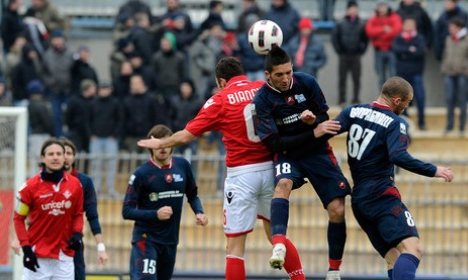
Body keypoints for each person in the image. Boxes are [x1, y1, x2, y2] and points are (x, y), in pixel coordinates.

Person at [138, 57, 306, 280]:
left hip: (242, 175)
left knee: (234, 248)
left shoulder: (220, 99)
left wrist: (161, 143)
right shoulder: (262, 88)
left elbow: (187, 135)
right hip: (270, 170)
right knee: (276, 237)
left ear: (221, 81)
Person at [333, 76, 453, 280]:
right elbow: (398, 156)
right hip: (381, 196)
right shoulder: (395, 123)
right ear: (397, 100)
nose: (407, 106)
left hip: (359, 201)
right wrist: (434, 170)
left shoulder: (352, 111)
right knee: (413, 249)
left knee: (394, 258)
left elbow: (326, 130)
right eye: (407, 102)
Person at [252, 46, 351, 280]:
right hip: (289, 154)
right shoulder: (262, 100)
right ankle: (278, 245)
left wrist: (313, 120)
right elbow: (275, 145)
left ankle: (334, 271)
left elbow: (324, 121)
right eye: (279, 75)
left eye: (289, 72)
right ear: (268, 75)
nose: (286, 78)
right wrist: (312, 132)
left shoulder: (307, 83)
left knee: (337, 209)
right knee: (282, 184)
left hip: (318, 153)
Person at [122, 124, 208, 279]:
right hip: (146, 239)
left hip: (170, 241)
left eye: (166, 143)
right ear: (151, 146)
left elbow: (193, 195)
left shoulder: (183, 166)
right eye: (158, 144)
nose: (162, 148)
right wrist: (156, 214)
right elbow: (126, 211)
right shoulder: (141, 174)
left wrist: (199, 212)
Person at [13, 138, 84, 279]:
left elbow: (78, 214)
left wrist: (77, 234)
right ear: (42, 158)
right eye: (51, 154)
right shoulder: (29, 187)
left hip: (64, 257)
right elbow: (18, 219)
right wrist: (26, 249)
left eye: (59, 154)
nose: (55, 157)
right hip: (37, 257)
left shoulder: (76, 185)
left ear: (65, 157)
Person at [59, 137, 109, 280]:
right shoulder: (44, 181)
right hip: (49, 245)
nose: (65, 156)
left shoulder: (84, 182)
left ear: (74, 157)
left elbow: (92, 215)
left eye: (69, 153)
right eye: (62, 152)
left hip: (73, 244)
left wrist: (101, 247)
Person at [441, 17, 468, 136]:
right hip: (449, 74)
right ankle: (449, 125)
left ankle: (462, 127)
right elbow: (445, 54)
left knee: (462, 100)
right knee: (449, 100)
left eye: (452, 27)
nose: (449, 29)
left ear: (458, 27)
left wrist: (466, 70)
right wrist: (444, 69)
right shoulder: (449, 39)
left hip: (462, 75)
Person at [88, 82, 123, 197]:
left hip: (110, 139)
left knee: (111, 164)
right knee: (95, 164)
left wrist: (115, 134)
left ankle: (111, 189)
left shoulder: (115, 103)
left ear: (110, 90)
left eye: (106, 88)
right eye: (102, 89)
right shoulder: (93, 103)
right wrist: (91, 134)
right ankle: (96, 189)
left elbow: (120, 119)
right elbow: (87, 120)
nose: (104, 91)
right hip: (96, 138)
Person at [393, 18, 427, 130]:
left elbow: (420, 52)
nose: (409, 26)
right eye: (407, 24)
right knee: (402, 99)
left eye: (411, 24)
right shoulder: (399, 38)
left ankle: (421, 122)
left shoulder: (419, 38)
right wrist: (409, 50)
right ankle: (404, 121)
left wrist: (404, 54)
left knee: (420, 98)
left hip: (416, 73)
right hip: (402, 74)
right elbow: (396, 49)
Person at [331, 0, 368, 106]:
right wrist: (340, 51)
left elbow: (365, 40)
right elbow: (335, 38)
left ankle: (356, 99)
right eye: (351, 9)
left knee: (356, 78)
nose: (353, 11)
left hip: (356, 56)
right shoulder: (340, 23)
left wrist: (361, 51)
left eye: (355, 9)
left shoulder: (361, 24)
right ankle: (342, 99)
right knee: (342, 78)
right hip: (344, 55)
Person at [365, 1, 402, 90]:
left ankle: (393, 98)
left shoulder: (394, 17)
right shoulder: (373, 19)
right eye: (380, 7)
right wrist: (383, 29)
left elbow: (396, 31)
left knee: (393, 76)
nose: (382, 9)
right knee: (380, 77)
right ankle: (383, 99)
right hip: (378, 51)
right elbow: (369, 31)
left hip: (391, 50)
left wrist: (380, 36)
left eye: (384, 6)